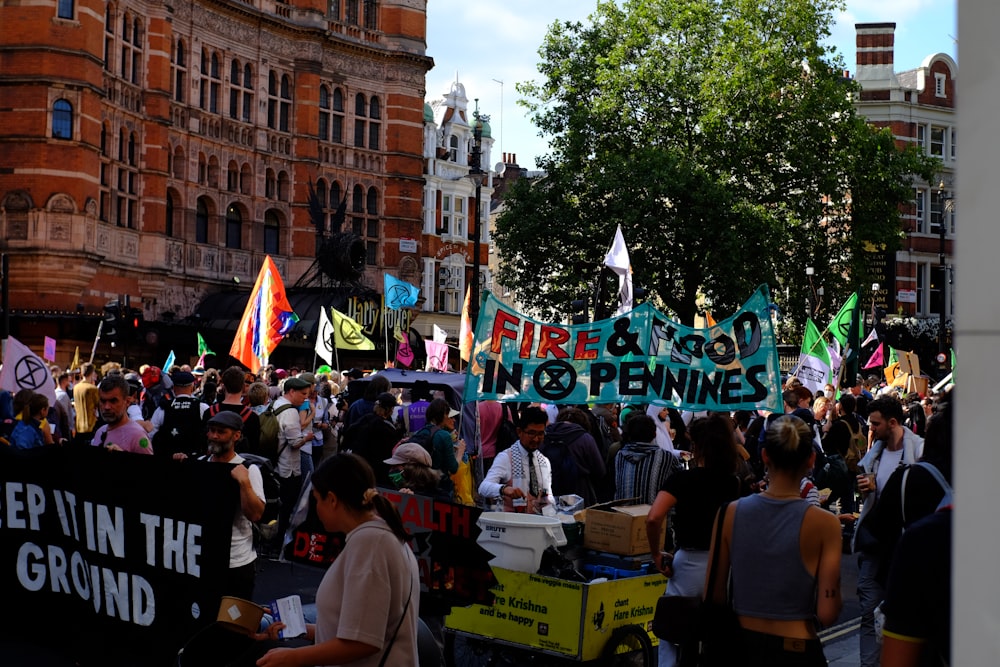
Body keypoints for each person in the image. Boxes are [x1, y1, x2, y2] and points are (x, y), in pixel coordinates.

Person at [256, 453, 420, 667]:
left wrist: (292, 657)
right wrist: (297, 627)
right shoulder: (376, 536)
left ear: (332, 499)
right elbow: (355, 629)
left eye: (316, 499)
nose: (315, 509)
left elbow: (363, 642)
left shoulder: (370, 542)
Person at [707, 415, 842, 666]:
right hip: (797, 648)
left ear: (766, 456)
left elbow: (714, 596)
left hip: (741, 648)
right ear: (811, 460)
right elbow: (827, 612)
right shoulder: (827, 524)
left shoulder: (729, 514)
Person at [646, 413, 746, 667]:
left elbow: (653, 517)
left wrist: (656, 553)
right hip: (724, 566)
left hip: (689, 561)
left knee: (673, 627)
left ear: (697, 447)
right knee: (714, 630)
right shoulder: (733, 483)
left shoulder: (683, 479)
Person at [852, 395, 923, 667]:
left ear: (892, 422)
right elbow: (870, 496)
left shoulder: (918, 450)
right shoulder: (875, 453)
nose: (871, 428)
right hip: (874, 542)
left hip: (902, 545)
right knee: (868, 611)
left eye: (876, 424)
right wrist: (864, 490)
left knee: (901, 613)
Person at [204, 410, 265, 600]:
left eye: (221, 432)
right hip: (204, 558)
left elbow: (255, 514)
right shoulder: (201, 464)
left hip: (236, 561)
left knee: (235, 622)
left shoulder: (249, 469)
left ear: (236, 436)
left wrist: (244, 483)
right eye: (211, 430)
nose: (214, 436)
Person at [478, 406, 555, 514]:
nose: (536, 439)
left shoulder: (544, 462)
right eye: (532, 433)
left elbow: (548, 494)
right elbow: (483, 488)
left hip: (537, 523)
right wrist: (504, 489)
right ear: (519, 432)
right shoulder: (505, 458)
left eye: (540, 434)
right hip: (511, 523)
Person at [273, 376, 316, 538]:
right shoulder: (290, 412)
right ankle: (279, 539)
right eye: (303, 394)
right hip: (288, 469)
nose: (306, 397)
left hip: (276, 463)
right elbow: (295, 442)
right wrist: (306, 438)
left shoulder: (276, 404)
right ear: (291, 391)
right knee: (286, 507)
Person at [540, 407, 606, 507]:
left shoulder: (545, 435)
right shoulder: (585, 438)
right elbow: (600, 470)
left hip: (548, 493)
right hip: (579, 494)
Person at [614, 414, 683, 505]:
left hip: (625, 514)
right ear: (654, 434)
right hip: (655, 514)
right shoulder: (665, 456)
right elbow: (680, 481)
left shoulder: (620, 455)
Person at [344, 392, 404, 487]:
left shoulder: (363, 420)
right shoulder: (387, 429)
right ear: (389, 410)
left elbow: (348, 435)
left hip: (356, 466)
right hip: (375, 473)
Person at [151, 370, 209, 459]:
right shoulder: (202, 407)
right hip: (196, 460)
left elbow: (152, 434)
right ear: (192, 386)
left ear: (173, 388)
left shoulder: (163, 408)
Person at [205, 366, 261, 454]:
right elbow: (254, 449)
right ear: (243, 387)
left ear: (223, 386)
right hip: (241, 465)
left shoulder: (209, 412)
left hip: (212, 464)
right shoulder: (252, 417)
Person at [93, 375, 154, 454]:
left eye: (113, 401)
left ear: (127, 402)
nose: (106, 407)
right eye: (103, 401)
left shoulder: (137, 436)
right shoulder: (100, 432)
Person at [73, 362, 100, 446]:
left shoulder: (76, 387)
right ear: (92, 373)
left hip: (78, 425)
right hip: (90, 425)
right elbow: (98, 404)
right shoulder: (92, 388)